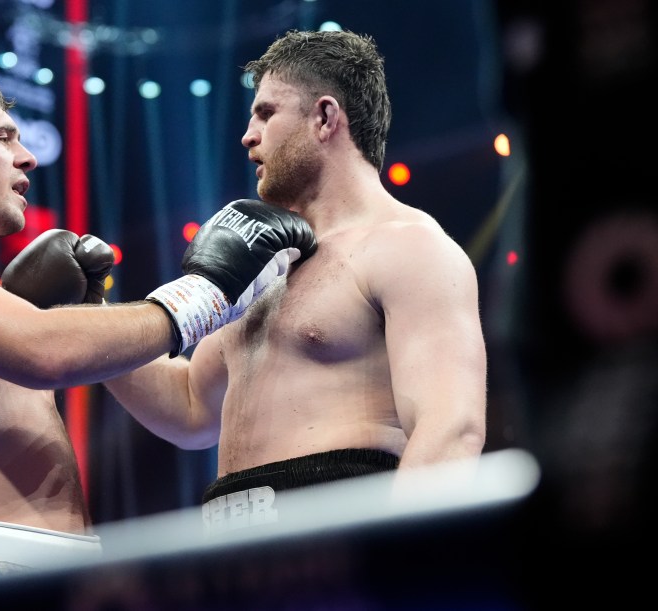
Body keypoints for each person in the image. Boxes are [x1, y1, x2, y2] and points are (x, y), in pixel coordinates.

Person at [0, 66, 317, 596]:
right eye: (3, 138)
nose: (27, 157)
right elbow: (44, 352)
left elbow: (182, 415)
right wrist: (201, 295)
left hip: (31, 575)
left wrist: (92, 308)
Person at [103, 29, 488, 532]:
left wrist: (394, 567)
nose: (248, 134)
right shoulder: (261, 264)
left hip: (342, 523)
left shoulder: (409, 247)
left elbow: (450, 431)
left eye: (265, 113)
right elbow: (192, 409)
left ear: (325, 118)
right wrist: (89, 310)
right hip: (231, 538)